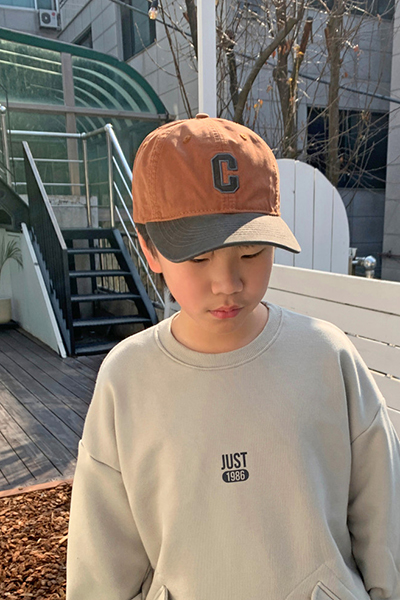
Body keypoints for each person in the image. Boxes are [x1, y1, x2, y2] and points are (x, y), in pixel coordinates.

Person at [66, 114, 400, 600]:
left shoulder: (327, 356)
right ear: (150, 249)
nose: (227, 282)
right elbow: (101, 559)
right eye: (197, 256)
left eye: (251, 252)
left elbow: (384, 514)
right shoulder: (127, 378)